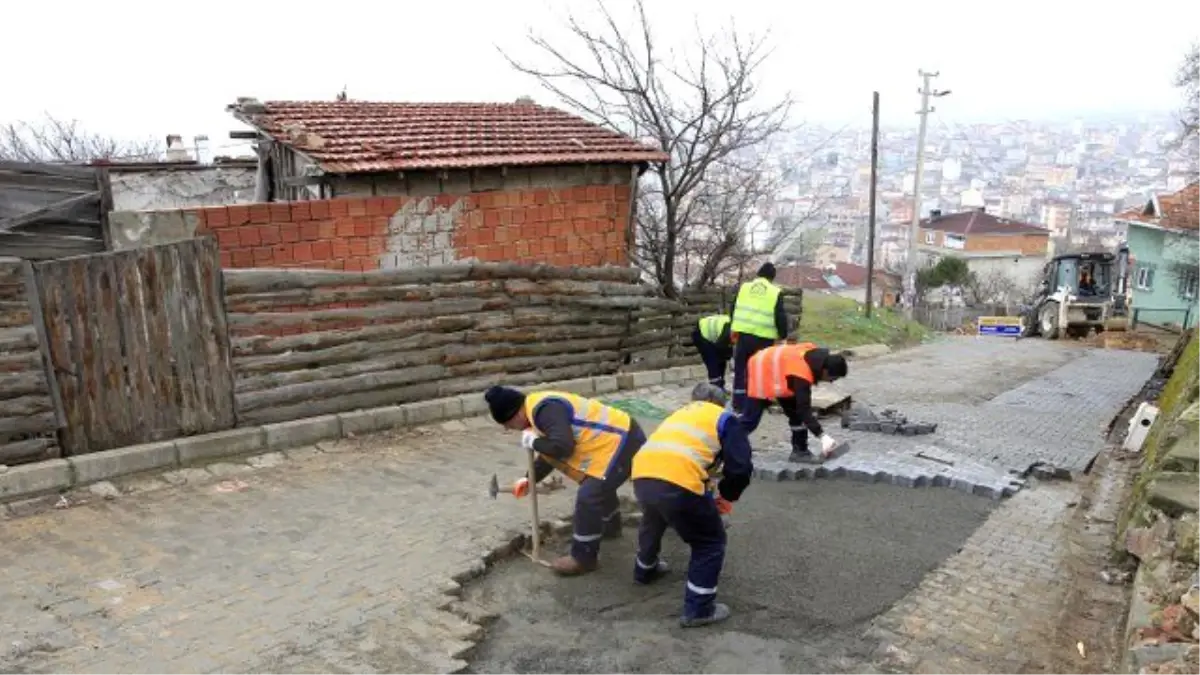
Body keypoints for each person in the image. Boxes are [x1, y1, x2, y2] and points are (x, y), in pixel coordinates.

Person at [484, 385, 647, 576]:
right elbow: (550, 456)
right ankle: (608, 529)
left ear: (515, 414)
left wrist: (534, 442)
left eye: (508, 424)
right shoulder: (536, 410)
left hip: (623, 442)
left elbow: (562, 447)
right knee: (599, 487)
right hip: (612, 442)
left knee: (590, 494)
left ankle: (583, 559)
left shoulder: (545, 410)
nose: (507, 428)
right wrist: (528, 479)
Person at [630, 383, 754, 628]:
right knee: (709, 543)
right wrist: (728, 496)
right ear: (719, 403)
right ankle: (699, 608)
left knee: (654, 519)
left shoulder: (679, 415)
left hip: (642, 473)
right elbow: (741, 468)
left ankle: (645, 569)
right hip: (679, 480)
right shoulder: (725, 419)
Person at [740, 341, 848, 463]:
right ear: (825, 371)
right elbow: (804, 409)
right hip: (760, 369)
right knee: (751, 419)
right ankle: (729, 446)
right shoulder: (801, 375)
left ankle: (800, 451)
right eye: (832, 378)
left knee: (796, 414)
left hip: (781, 374)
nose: (831, 382)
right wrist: (822, 436)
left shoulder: (813, 357)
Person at [729, 263, 789, 415]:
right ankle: (760, 402)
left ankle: (738, 403)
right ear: (772, 278)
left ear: (758, 274)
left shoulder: (744, 288)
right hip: (764, 338)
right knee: (761, 369)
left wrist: (735, 326)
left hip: (743, 336)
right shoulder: (775, 292)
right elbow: (780, 316)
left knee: (740, 369)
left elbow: (733, 308)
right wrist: (783, 334)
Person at [693, 314, 733, 390]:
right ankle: (716, 390)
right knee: (714, 363)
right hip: (702, 333)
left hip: (712, 332)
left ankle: (720, 388)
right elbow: (720, 348)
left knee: (721, 361)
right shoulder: (729, 331)